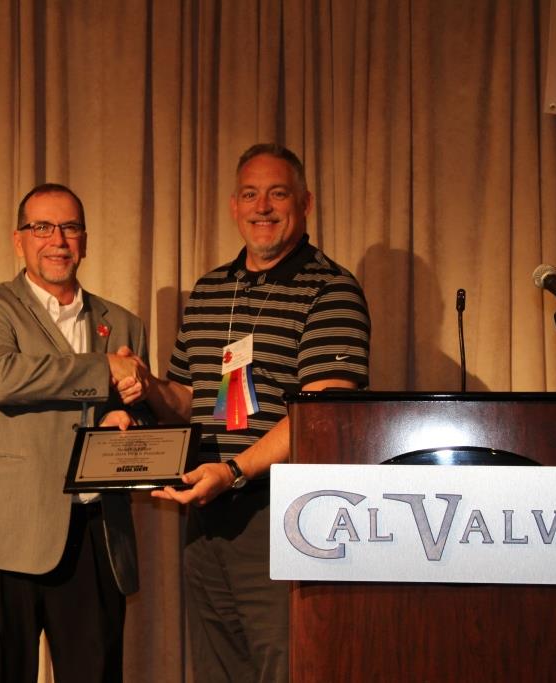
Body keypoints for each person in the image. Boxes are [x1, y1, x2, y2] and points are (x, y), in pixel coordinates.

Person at [119, 144, 371, 682]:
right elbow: (190, 398)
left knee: (287, 666)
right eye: (250, 195)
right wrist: (147, 386)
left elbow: (319, 415)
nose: (263, 207)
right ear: (234, 206)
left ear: (305, 203)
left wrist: (233, 471)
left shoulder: (332, 289)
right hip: (206, 514)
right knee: (217, 670)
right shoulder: (211, 289)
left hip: (285, 513)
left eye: (277, 194)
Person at [0, 183, 151, 682]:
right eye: (42, 227)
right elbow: (1, 379)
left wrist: (126, 422)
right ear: (19, 240)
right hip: (0, 534)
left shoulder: (124, 323)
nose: (57, 239)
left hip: (95, 533)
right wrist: (103, 369)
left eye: (70, 227)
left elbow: (137, 412)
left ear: (85, 240)